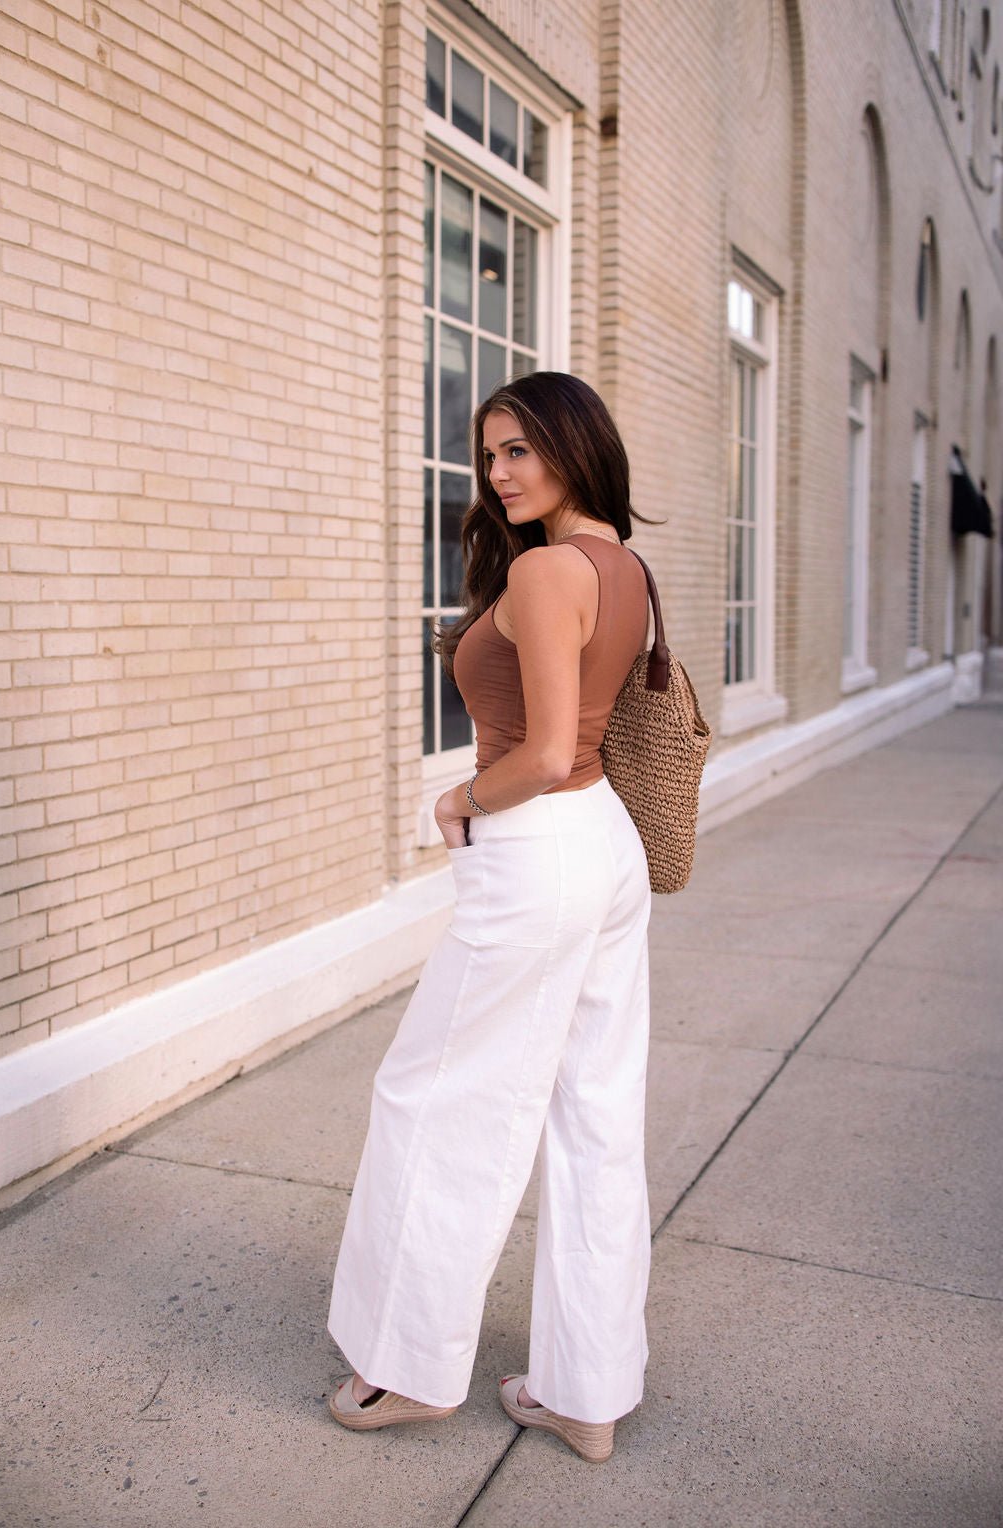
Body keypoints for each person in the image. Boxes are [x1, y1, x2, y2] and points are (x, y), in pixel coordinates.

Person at [327, 371, 659, 1463]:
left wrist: (458, 796)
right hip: (602, 847)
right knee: (592, 1113)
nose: (499, 472)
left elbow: (549, 750)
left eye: (519, 449)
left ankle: (409, 1367)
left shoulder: (553, 569)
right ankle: (586, 1391)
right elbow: (587, 748)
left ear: (573, 443)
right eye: (488, 455)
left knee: (434, 1098)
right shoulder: (623, 566)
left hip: (539, 849)